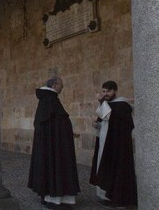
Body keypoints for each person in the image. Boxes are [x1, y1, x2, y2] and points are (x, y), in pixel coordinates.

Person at [28, 76, 80, 208]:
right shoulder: (50, 100)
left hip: (52, 143)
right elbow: (56, 124)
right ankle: (54, 198)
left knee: (49, 165)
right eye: (61, 84)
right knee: (54, 165)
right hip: (55, 145)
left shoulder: (47, 99)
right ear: (55, 85)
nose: (63, 87)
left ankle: (48, 195)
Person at [89, 81, 137, 207]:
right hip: (106, 143)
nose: (106, 94)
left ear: (115, 91)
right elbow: (105, 122)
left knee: (117, 170)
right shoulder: (108, 104)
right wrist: (97, 125)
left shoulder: (122, 105)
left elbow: (112, 118)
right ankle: (106, 196)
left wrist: (101, 102)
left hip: (118, 146)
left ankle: (118, 199)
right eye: (103, 91)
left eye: (108, 91)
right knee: (106, 168)